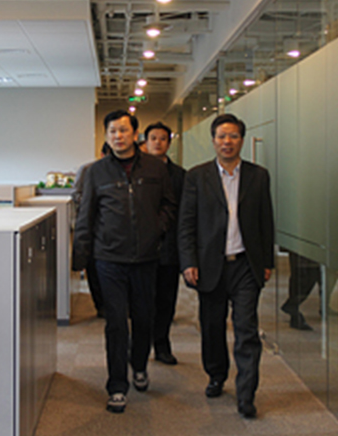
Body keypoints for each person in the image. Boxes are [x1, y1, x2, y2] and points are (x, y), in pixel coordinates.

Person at [73, 110, 176, 414]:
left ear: (135, 134)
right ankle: (117, 385)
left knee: (144, 318)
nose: (118, 136)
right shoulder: (96, 172)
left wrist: (156, 228)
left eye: (123, 130)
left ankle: (139, 365)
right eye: (112, 131)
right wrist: (80, 255)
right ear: (106, 136)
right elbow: (86, 215)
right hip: (109, 259)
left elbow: (169, 204)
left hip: (146, 258)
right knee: (116, 323)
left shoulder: (156, 168)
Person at [178, 114, 274, 419]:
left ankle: (246, 394)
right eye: (221, 136)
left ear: (242, 140)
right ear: (213, 141)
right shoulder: (197, 176)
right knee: (212, 326)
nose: (227, 142)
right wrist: (188, 261)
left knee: (246, 329)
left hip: (245, 264)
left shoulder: (258, 176)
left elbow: (266, 220)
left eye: (233, 136)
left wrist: (267, 261)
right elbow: (186, 224)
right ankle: (216, 374)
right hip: (210, 264)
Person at [143, 122, 186, 365]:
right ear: (145, 142)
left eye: (162, 139)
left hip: (169, 247)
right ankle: (139, 346)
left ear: (169, 143)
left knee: (166, 300)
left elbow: (184, 213)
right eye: (153, 138)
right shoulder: (136, 171)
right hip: (141, 248)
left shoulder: (180, 175)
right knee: (141, 300)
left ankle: (162, 345)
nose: (157, 142)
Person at [72, 142, 111, 318]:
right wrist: (92, 202)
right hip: (91, 224)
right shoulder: (88, 169)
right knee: (93, 268)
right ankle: (100, 306)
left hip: (112, 228)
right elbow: (76, 194)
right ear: (102, 155)